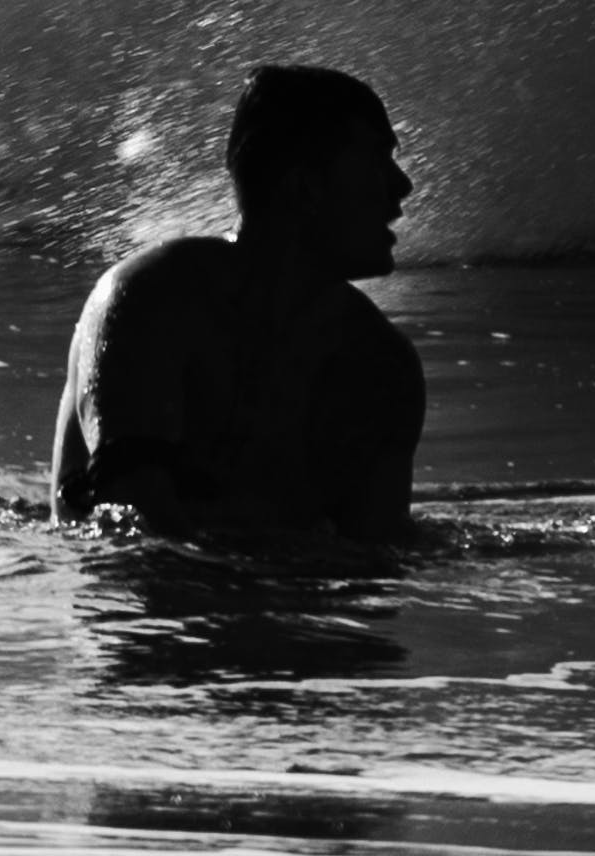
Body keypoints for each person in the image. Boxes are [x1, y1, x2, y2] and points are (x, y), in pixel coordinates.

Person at [45, 64, 421, 545]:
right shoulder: (150, 299)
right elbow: (129, 521)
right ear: (304, 184)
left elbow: (377, 554)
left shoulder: (381, 364)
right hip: (141, 614)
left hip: (279, 606)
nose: (402, 186)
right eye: (377, 159)